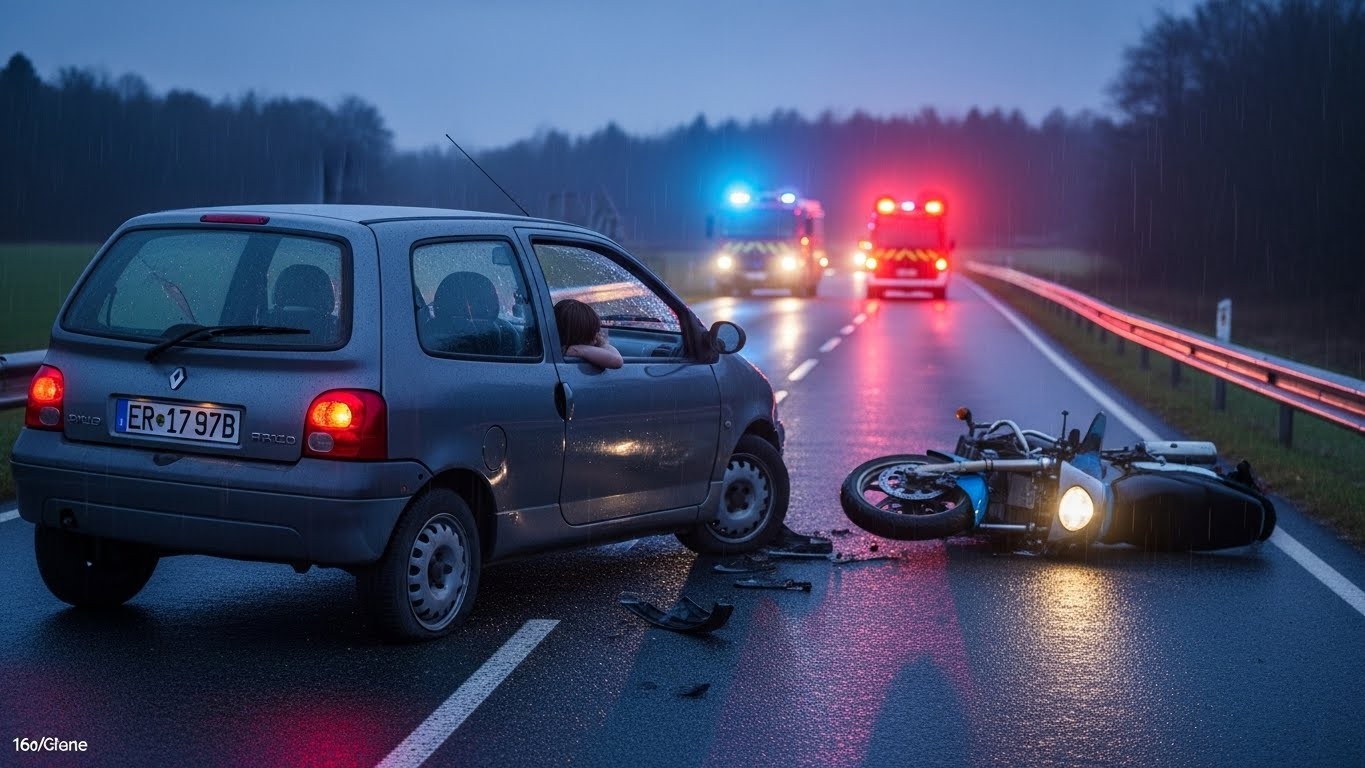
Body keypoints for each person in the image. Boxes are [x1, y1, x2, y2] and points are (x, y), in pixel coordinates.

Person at [554, 298, 623, 369]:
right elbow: (616, 360)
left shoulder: (554, 350)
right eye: (593, 334)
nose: (596, 339)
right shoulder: (572, 351)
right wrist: (580, 349)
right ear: (580, 335)